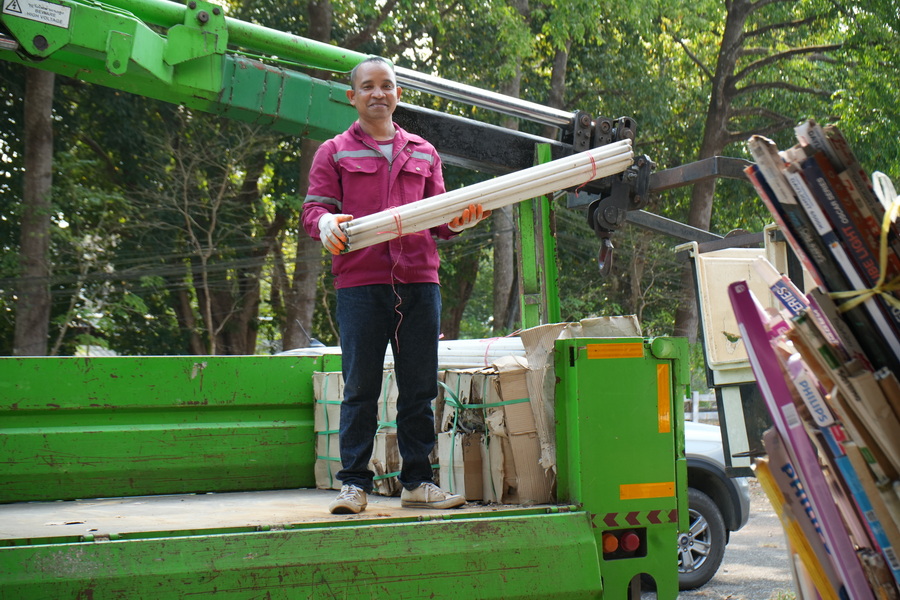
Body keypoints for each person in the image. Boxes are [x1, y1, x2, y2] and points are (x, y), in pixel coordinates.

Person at [301, 56, 491, 515]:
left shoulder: (424, 152)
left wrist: (460, 222)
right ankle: (353, 485)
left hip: (419, 283)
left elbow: (442, 221)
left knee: (419, 387)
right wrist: (326, 222)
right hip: (360, 285)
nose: (378, 94)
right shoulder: (334, 152)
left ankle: (418, 482)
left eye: (387, 85)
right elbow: (313, 213)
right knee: (360, 386)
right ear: (353, 96)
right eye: (368, 86)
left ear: (398, 94)